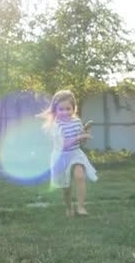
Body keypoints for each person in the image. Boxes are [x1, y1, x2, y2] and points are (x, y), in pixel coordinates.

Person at [39, 89, 98, 217]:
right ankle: (68, 207)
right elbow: (63, 145)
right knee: (66, 188)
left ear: (73, 108)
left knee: (80, 176)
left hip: (75, 154)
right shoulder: (56, 126)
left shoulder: (76, 121)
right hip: (61, 156)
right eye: (61, 109)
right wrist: (78, 137)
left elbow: (81, 143)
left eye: (68, 108)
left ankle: (81, 207)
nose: (65, 112)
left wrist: (84, 136)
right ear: (55, 110)